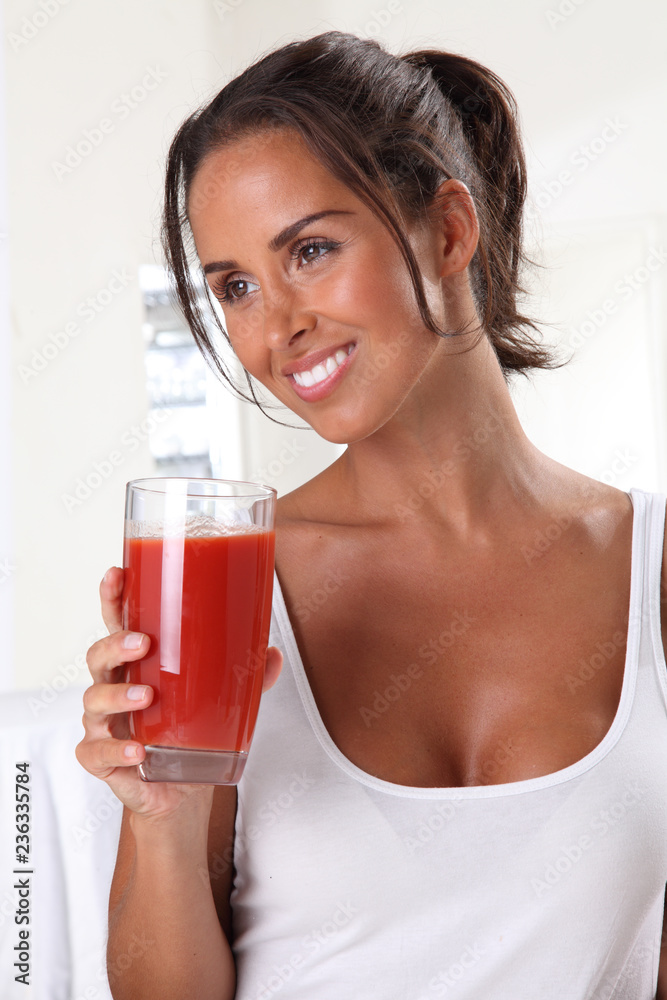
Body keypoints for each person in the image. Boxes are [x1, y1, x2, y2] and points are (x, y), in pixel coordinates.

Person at [76, 30, 667, 1000]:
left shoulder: (649, 566)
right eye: (234, 287)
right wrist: (162, 820)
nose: (276, 326)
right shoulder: (231, 586)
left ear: (448, 231)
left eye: (309, 250)